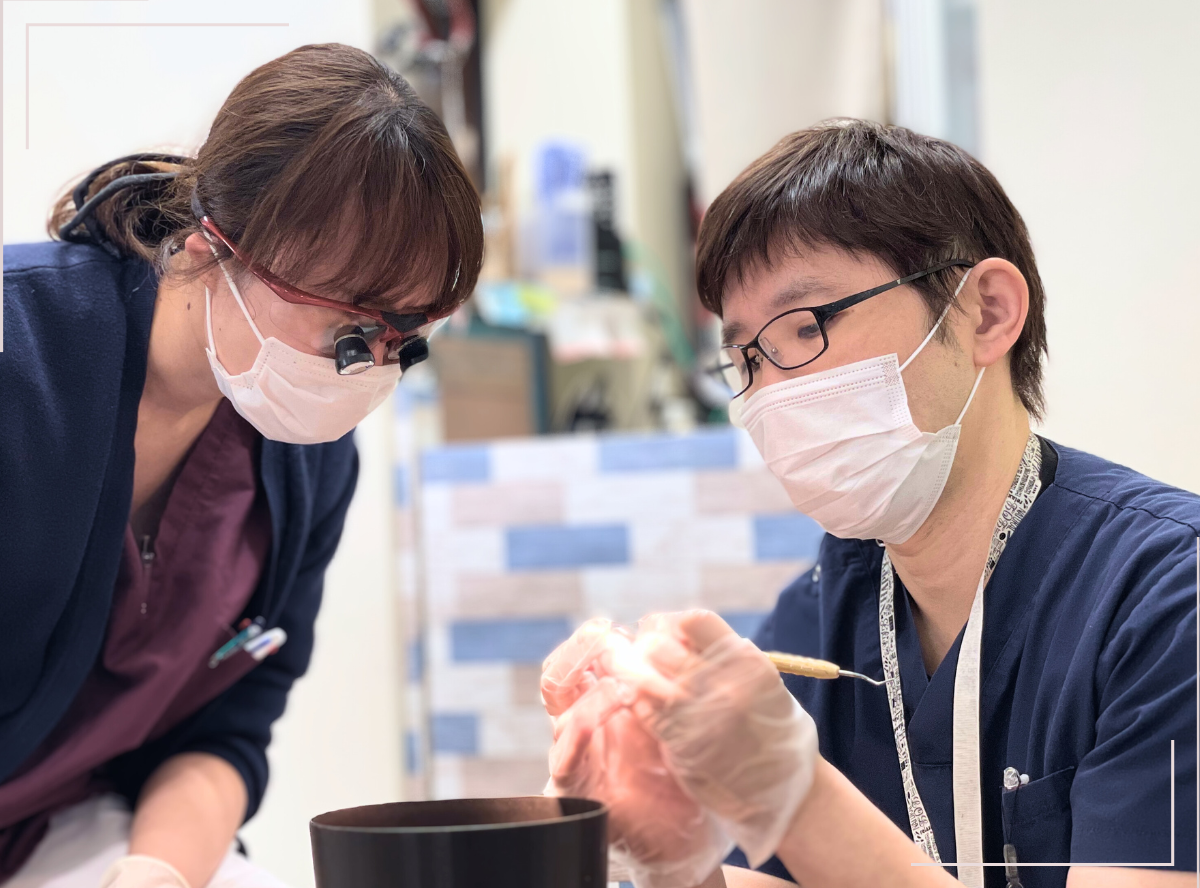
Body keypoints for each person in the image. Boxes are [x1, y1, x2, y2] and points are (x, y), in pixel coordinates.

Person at [541, 119, 1198, 888]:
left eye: (804, 327)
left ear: (986, 311)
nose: (770, 394)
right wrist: (675, 859)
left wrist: (796, 797)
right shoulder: (827, 605)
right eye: (744, 357)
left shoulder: (1166, 601)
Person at [0, 43, 482, 888]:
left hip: (63, 826)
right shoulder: (21, 354)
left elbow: (228, 730)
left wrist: (156, 873)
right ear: (205, 245)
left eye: (403, 340)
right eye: (349, 328)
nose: (369, 365)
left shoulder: (306, 463)